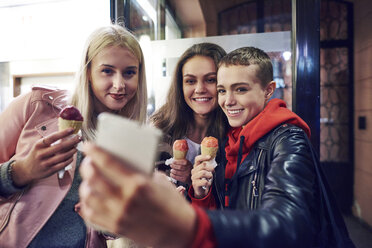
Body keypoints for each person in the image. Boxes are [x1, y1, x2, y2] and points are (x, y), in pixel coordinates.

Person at [78, 47, 354, 248]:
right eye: (223, 89)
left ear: (268, 90)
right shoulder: (236, 137)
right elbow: (227, 202)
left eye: (240, 89)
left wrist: (186, 222)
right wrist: (198, 191)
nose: (226, 99)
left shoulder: (285, 137)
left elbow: (291, 224)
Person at [0, 24, 147, 248]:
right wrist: (22, 171)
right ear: (88, 72)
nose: (119, 85)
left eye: (129, 72)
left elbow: (110, 229)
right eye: (107, 71)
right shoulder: (35, 105)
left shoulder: (130, 140)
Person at [150, 42, 228, 185]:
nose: (199, 89)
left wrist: (193, 180)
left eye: (211, 80)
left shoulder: (236, 136)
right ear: (181, 86)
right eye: (190, 81)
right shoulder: (159, 131)